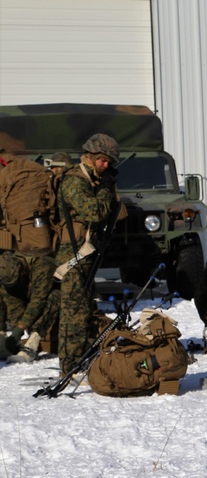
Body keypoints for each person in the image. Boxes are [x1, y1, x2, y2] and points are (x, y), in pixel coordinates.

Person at [55, 133, 121, 378]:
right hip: (72, 254)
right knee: (73, 312)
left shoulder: (94, 179)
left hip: (86, 252)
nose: (105, 165)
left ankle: (81, 358)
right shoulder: (75, 180)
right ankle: (69, 367)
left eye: (109, 162)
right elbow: (94, 212)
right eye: (103, 160)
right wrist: (105, 190)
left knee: (84, 309)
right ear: (90, 156)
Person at [0, 251, 59, 363]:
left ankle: (32, 344)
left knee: (55, 296)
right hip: (33, 300)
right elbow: (14, 305)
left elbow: (38, 301)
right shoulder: (5, 272)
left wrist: (20, 328)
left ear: (21, 270)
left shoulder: (42, 266)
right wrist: (11, 337)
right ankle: (18, 345)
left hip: (59, 303)